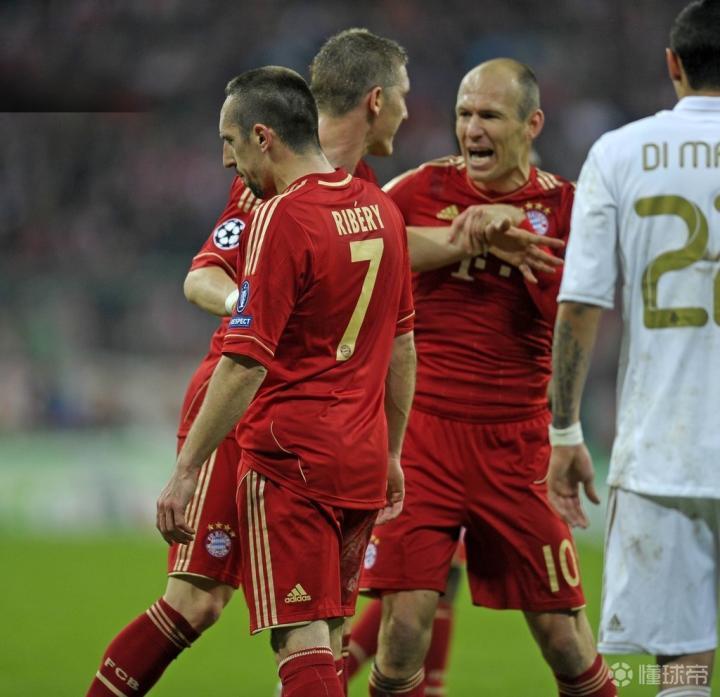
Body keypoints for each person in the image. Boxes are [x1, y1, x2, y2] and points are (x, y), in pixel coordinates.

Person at [360, 58, 617, 697]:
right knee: (402, 631)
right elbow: (361, 251)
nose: (472, 129)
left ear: (532, 124)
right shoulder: (416, 190)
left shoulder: (568, 207)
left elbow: (579, 315)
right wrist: (461, 238)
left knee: (563, 637)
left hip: (517, 443)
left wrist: (518, 241)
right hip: (422, 438)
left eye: (490, 116)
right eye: (464, 114)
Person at [158, 65, 416, 697]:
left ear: (263, 136)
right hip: (361, 457)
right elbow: (402, 346)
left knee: (298, 641)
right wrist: (391, 453)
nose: (227, 159)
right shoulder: (382, 209)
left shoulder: (281, 217)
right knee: (331, 640)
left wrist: (187, 470)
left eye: (230, 141)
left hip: (293, 457)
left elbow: (244, 362)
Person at [548, 1, 720, 695]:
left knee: (682, 670)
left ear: (673, 64)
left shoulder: (619, 153)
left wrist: (565, 431)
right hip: (666, 455)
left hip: (663, 457)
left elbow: (581, 304)